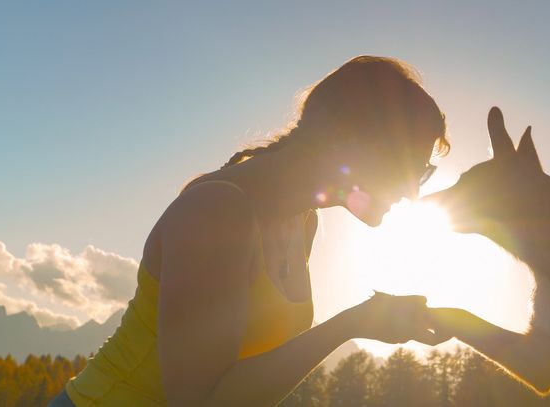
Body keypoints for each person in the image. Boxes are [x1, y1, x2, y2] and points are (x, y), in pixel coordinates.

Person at [50, 55, 451, 407]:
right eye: (407, 168)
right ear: (345, 140)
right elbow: (199, 400)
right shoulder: (218, 212)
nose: (413, 192)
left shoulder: (305, 222)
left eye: (423, 172)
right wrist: (350, 325)